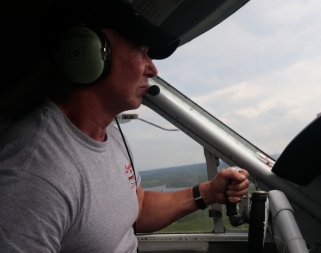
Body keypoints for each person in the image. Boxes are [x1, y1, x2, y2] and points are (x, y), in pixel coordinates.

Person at [0, 0, 249, 252]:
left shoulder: (106, 132)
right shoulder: (32, 176)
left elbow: (136, 210)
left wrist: (208, 192)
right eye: (141, 51)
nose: (152, 68)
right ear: (85, 52)